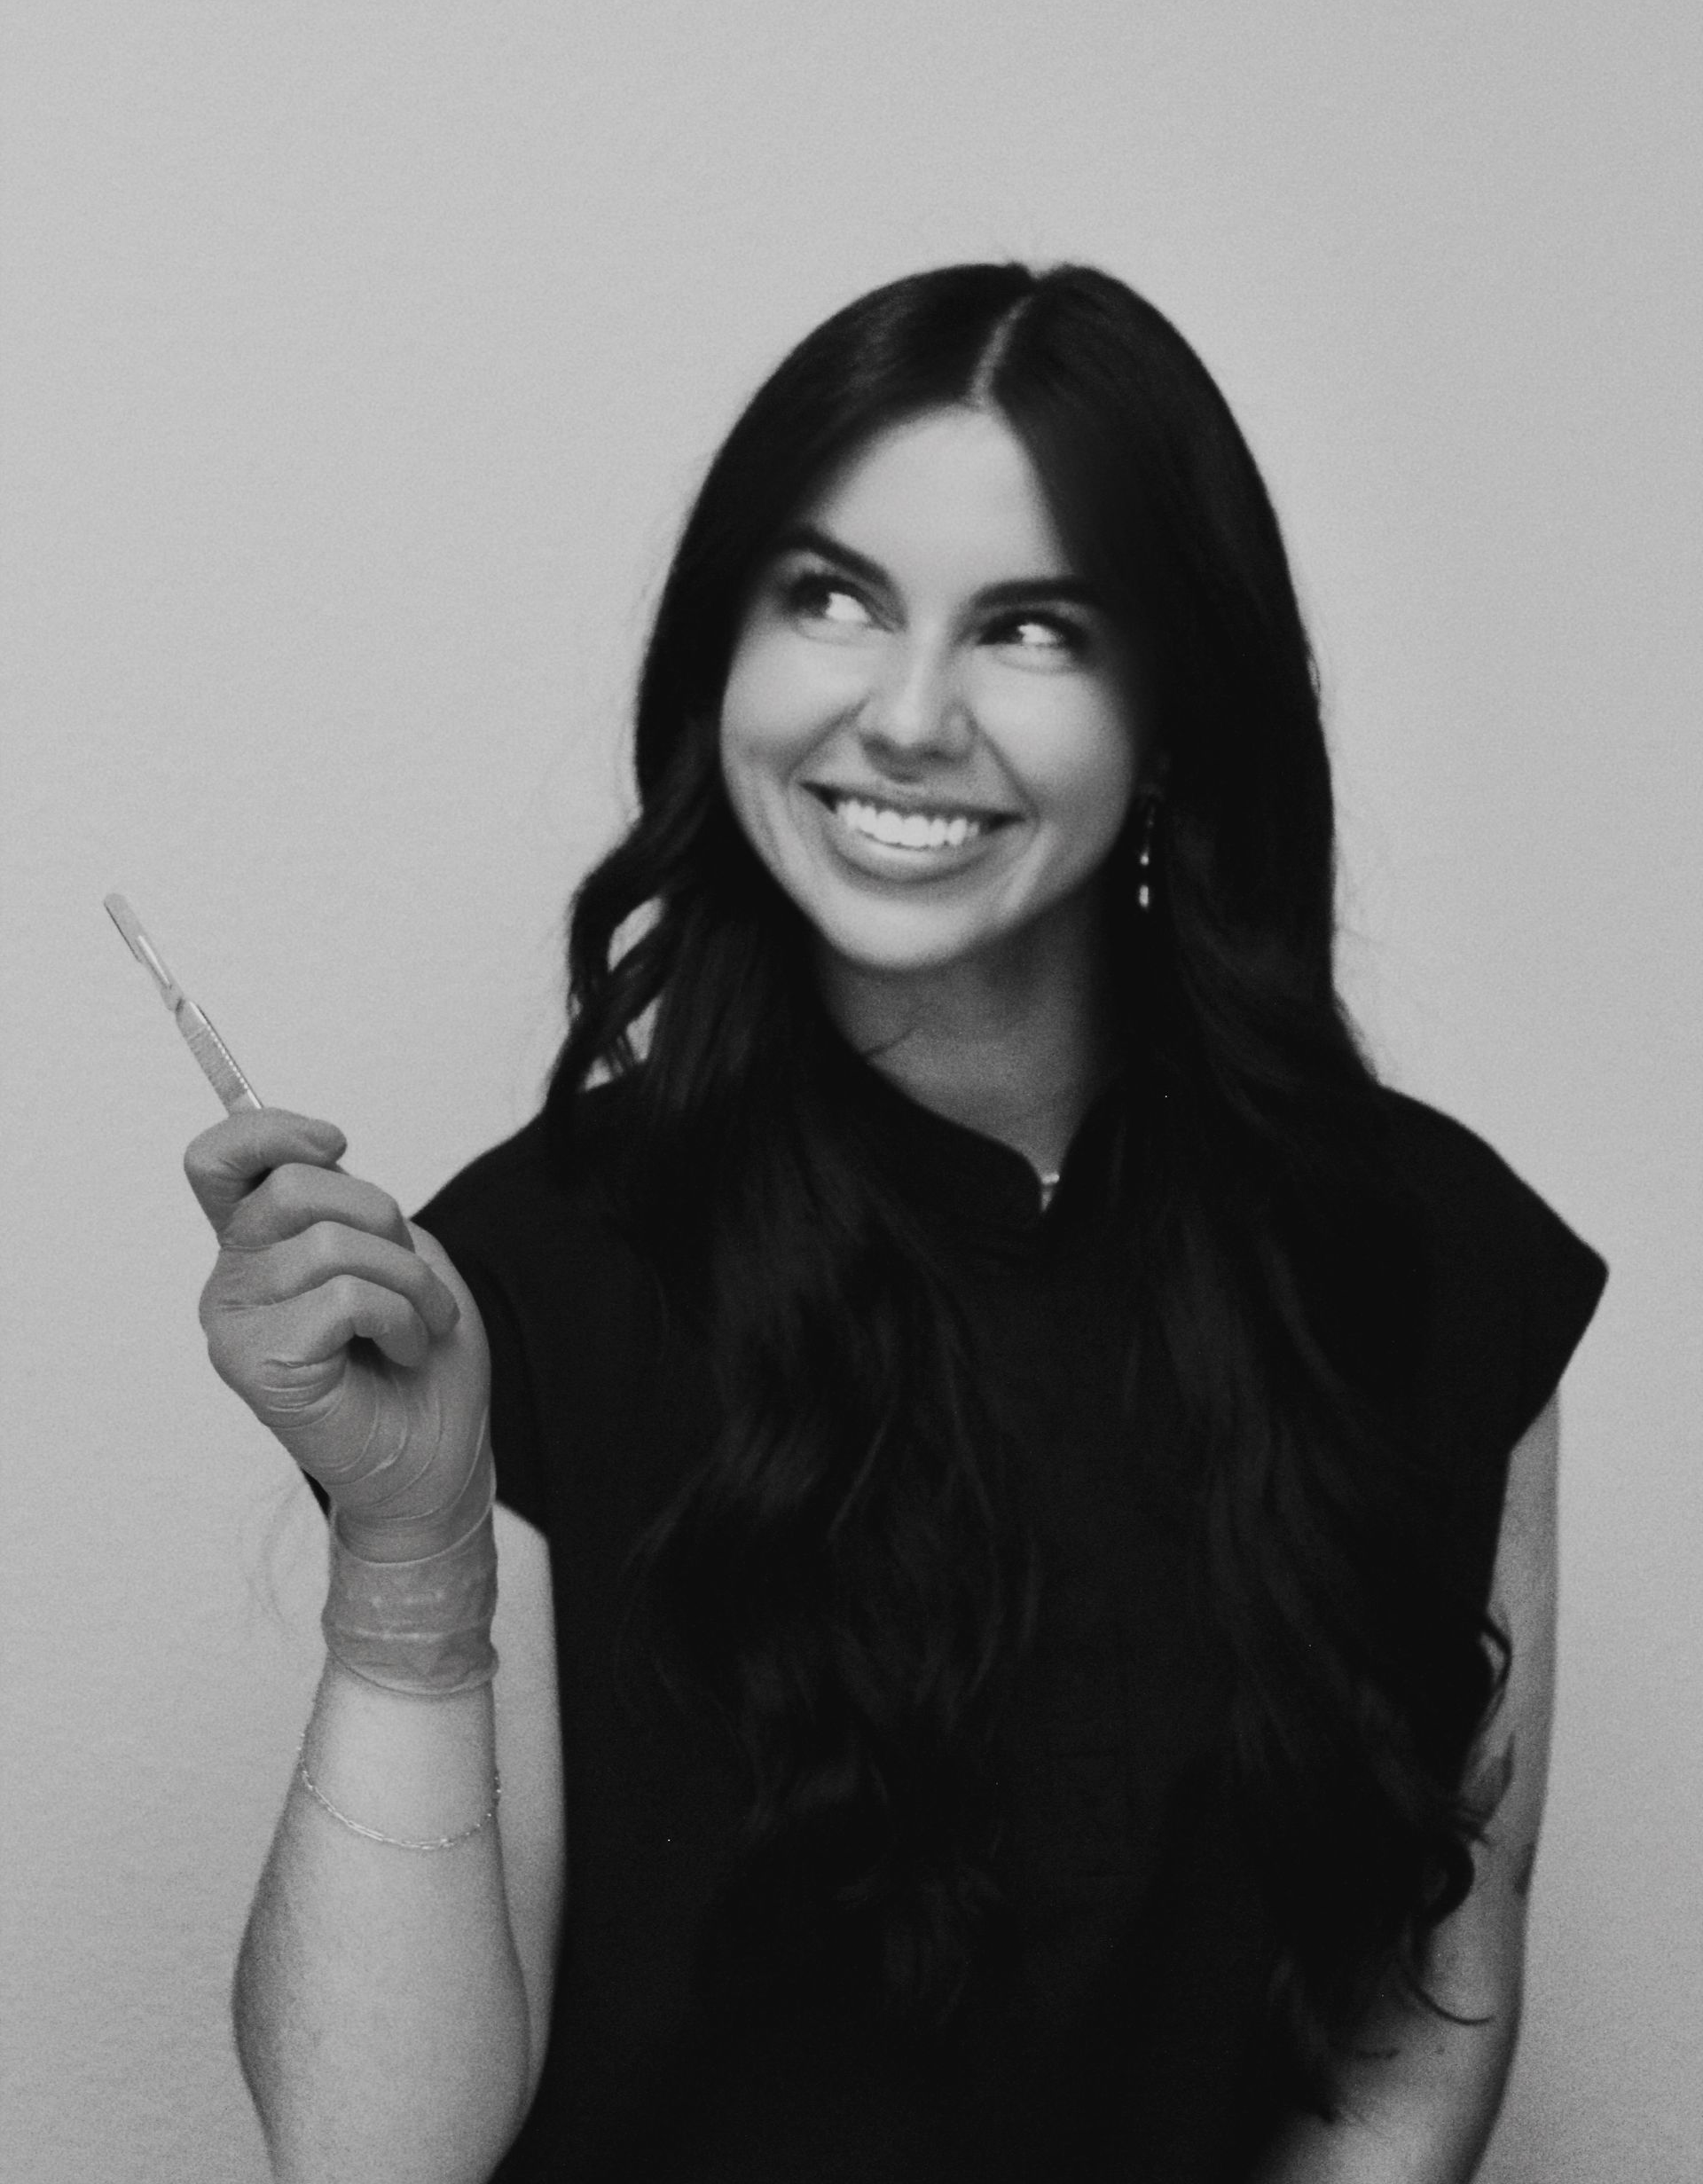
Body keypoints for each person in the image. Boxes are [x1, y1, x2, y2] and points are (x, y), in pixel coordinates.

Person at [185, 263, 1607, 2184]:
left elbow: (1413, 2041)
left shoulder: (1434, 1262)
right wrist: (411, 1552)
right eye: (833, 599)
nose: (908, 713)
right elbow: (374, 2158)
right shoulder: (531, 1274)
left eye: (1030, 629)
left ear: (1178, 708)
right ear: (729, 656)